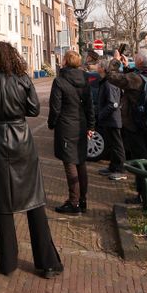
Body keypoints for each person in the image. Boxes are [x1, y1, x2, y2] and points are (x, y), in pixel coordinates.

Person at [0, 41, 63, 278]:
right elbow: (34, 109)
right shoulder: (22, 77)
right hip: (21, 140)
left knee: (2, 202)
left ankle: (7, 262)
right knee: (34, 199)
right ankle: (47, 263)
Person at [106, 48, 147, 201]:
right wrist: (127, 67)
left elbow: (111, 76)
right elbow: (134, 80)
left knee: (141, 162)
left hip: (136, 127)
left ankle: (143, 196)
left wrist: (115, 61)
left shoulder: (135, 78)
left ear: (138, 61)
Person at [47, 50, 94, 214]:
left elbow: (55, 107)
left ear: (66, 61)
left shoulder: (59, 81)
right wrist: (91, 126)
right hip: (81, 124)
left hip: (66, 126)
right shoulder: (85, 78)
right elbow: (89, 105)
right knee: (80, 162)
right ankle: (82, 200)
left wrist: (51, 124)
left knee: (70, 163)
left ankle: (74, 202)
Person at [96, 59, 125, 177]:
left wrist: (101, 115)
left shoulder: (108, 83)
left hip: (113, 119)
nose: (96, 67)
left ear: (103, 68)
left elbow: (113, 103)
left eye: (98, 65)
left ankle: (120, 169)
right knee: (112, 145)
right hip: (109, 119)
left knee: (117, 145)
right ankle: (113, 167)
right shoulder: (106, 81)